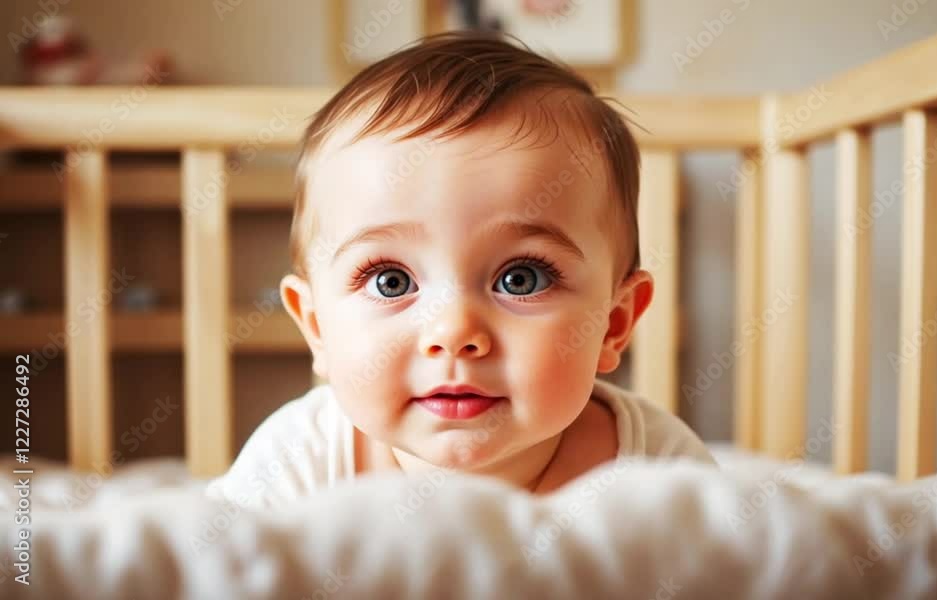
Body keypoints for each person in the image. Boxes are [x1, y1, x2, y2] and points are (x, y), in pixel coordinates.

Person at [207, 31, 715, 510]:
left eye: (521, 279)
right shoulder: (300, 464)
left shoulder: (659, 472)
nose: (454, 333)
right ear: (317, 328)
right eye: (392, 281)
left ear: (614, 322)